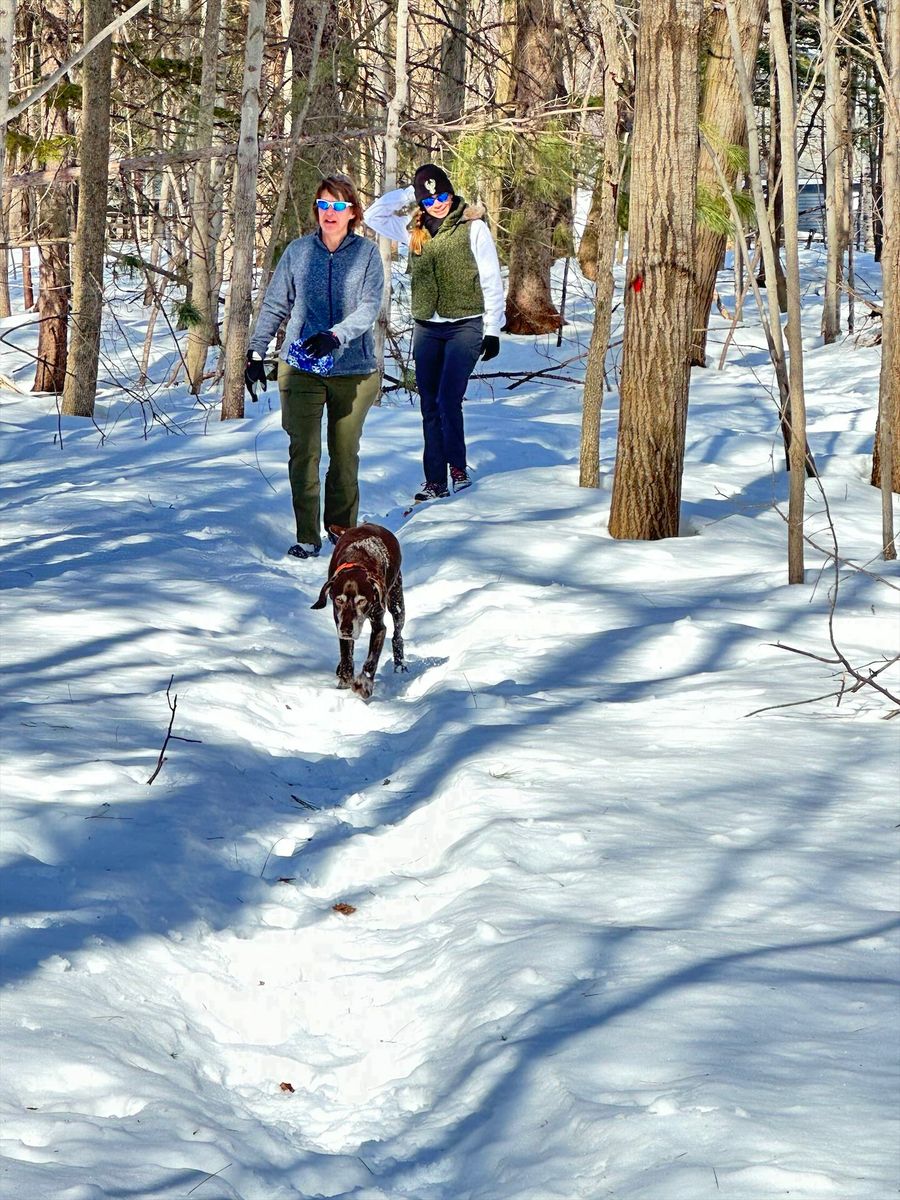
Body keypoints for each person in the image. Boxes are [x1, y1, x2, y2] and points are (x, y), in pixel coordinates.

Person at [245, 174, 385, 559]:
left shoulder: (367, 254)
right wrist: (255, 351)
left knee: (344, 455)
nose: (330, 212)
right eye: (324, 204)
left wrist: (336, 336)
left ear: (352, 212)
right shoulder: (298, 252)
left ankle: (341, 531)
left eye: (338, 205)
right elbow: (276, 304)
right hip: (302, 366)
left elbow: (369, 307)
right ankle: (307, 535)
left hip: (353, 370)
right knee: (303, 452)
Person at [364, 163, 504, 502]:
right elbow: (372, 215)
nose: (437, 204)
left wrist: (493, 329)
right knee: (429, 404)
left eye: (442, 196)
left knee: (447, 399)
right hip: (427, 326)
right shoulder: (413, 229)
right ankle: (435, 481)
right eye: (429, 199)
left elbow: (491, 278)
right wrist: (409, 195)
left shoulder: (473, 228)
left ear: (451, 194)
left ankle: (458, 468)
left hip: (465, 325)